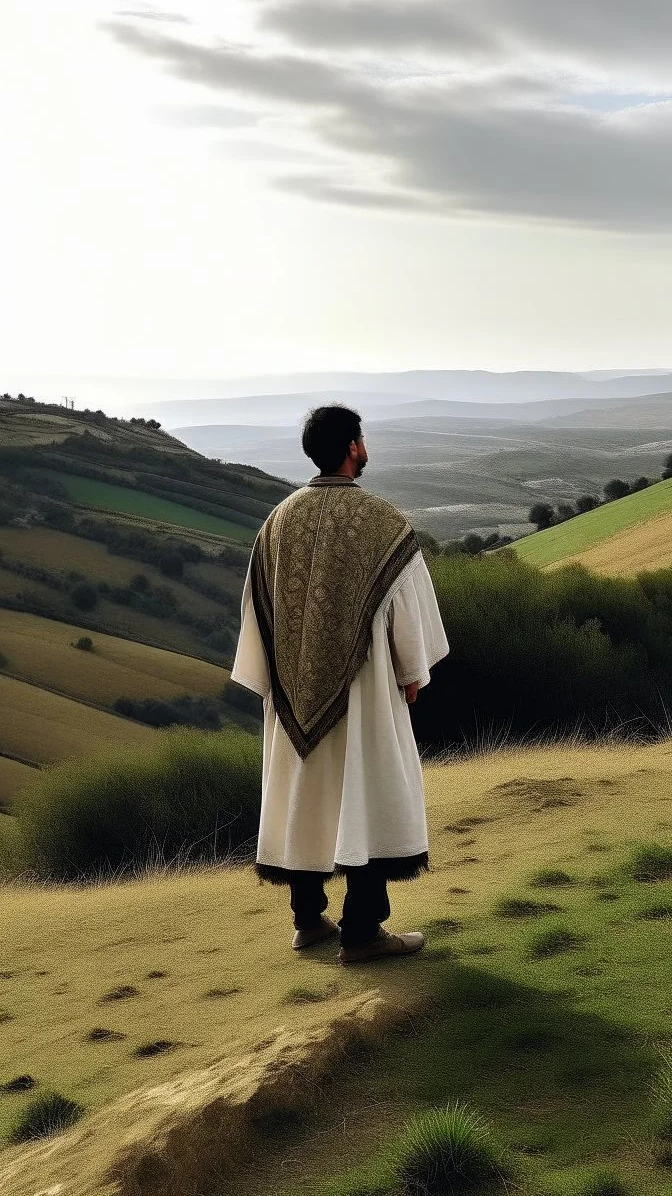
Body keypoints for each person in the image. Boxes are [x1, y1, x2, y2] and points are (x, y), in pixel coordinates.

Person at [231, 404, 449, 965]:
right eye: (362, 438)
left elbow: (256, 610)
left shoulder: (277, 521)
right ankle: (362, 931)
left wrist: (279, 677)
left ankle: (308, 921)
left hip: (293, 692)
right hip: (364, 688)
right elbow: (409, 607)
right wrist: (411, 672)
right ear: (353, 446)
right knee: (365, 794)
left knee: (308, 795)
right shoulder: (382, 522)